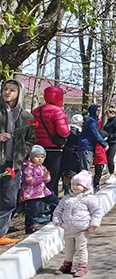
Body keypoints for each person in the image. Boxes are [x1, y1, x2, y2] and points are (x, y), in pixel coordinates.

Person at [0, 78, 37, 245]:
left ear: (19, 94)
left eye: (11, 90)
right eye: (5, 89)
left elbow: (31, 139)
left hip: (14, 165)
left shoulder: (26, 116)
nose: (7, 92)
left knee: (8, 200)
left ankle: (1, 234)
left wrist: (23, 155)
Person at [51, 170, 103, 278]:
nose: (74, 187)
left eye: (78, 185)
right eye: (73, 184)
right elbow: (58, 211)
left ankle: (82, 266)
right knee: (68, 248)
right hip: (68, 229)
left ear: (85, 186)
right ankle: (67, 264)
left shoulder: (90, 199)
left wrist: (94, 224)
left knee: (81, 248)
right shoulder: (66, 198)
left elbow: (97, 212)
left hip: (82, 230)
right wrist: (57, 220)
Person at [33, 86, 70, 196]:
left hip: (37, 149)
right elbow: (64, 132)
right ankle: (49, 203)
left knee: (38, 176)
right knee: (51, 177)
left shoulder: (36, 111)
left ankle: (37, 202)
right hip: (54, 148)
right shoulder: (58, 111)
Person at [19, 145, 60, 234]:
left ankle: (56, 217)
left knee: (56, 201)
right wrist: (42, 178)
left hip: (42, 191)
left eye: (42, 157)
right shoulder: (28, 167)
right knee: (32, 210)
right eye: (37, 157)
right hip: (31, 193)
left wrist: (47, 177)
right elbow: (28, 181)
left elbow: (46, 179)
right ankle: (29, 226)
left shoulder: (42, 167)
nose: (40, 159)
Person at [77, 105, 107, 172]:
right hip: (86, 146)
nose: (99, 112)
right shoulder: (91, 121)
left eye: (99, 110)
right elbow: (96, 134)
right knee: (85, 168)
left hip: (90, 146)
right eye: (97, 110)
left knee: (87, 167)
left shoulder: (93, 120)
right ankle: (84, 181)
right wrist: (104, 143)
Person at [61, 115, 83, 194]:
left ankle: (70, 188)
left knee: (72, 172)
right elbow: (75, 141)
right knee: (69, 173)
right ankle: (67, 189)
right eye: (81, 120)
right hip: (70, 154)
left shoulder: (77, 130)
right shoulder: (73, 131)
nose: (82, 122)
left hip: (72, 153)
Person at [102, 108, 116, 182]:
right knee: (106, 158)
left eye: (108, 114)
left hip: (114, 142)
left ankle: (112, 174)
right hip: (107, 142)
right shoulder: (108, 122)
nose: (107, 116)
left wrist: (109, 136)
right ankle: (109, 171)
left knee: (110, 158)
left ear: (112, 113)